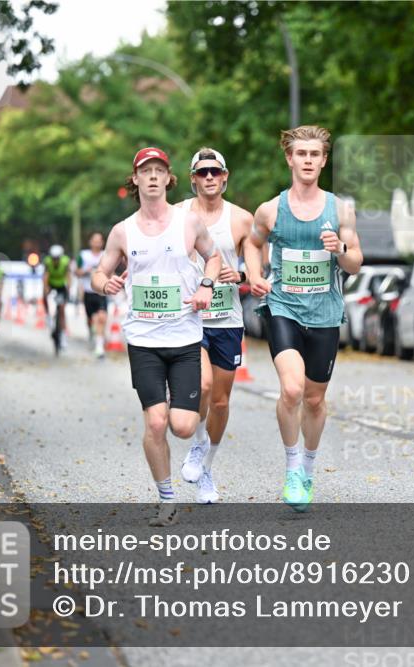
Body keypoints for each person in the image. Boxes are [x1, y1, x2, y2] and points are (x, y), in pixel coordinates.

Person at [91, 147, 220, 527]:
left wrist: (207, 287)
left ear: (168, 179)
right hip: (143, 341)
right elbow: (98, 274)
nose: (151, 176)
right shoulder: (122, 231)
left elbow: (213, 258)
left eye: (158, 170)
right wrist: (106, 283)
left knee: (181, 425)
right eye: (144, 170)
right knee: (156, 423)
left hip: (183, 339)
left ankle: (197, 441)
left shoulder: (189, 222)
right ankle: (166, 500)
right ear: (135, 179)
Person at [245, 125, 363, 511]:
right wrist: (255, 275)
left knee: (314, 399)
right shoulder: (271, 209)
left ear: (324, 160)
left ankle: (308, 469)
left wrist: (340, 248)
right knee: (292, 390)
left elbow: (356, 263)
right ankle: (292, 468)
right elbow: (252, 241)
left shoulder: (340, 209)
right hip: (283, 307)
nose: (308, 160)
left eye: (315, 154)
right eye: (301, 154)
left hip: (325, 312)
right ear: (290, 159)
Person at [176, 148, 254, 504]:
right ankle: (196, 444)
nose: (209, 177)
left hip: (227, 320)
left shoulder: (241, 220)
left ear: (225, 177)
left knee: (221, 403)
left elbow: (257, 272)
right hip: (189, 319)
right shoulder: (176, 215)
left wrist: (238, 274)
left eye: (215, 172)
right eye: (202, 172)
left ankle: (206, 466)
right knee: (203, 385)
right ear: (193, 178)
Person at [76, 231, 109, 358]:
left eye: (99, 240)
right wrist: (86, 271)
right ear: (90, 242)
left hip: (101, 292)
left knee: (101, 318)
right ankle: (92, 332)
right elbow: (77, 272)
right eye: (94, 240)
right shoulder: (83, 255)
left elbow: (110, 271)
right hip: (88, 292)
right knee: (92, 319)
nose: (97, 243)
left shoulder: (105, 255)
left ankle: (99, 347)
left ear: (102, 243)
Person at [43, 244, 71, 351]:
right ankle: (48, 316)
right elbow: (45, 276)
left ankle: (63, 336)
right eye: (53, 258)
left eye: (57, 258)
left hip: (61, 285)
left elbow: (68, 276)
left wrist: (68, 288)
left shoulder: (65, 262)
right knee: (44, 297)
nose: (55, 260)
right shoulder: (47, 261)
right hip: (51, 284)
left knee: (62, 310)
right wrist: (46, 289)